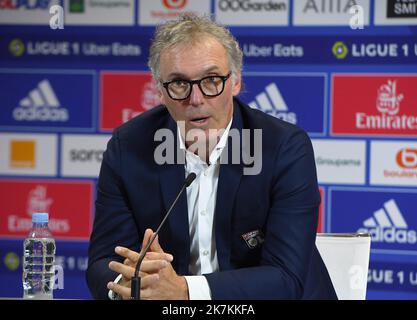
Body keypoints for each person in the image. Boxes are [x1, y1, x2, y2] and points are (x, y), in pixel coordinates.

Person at [86, 14, 337, 300]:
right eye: (179, 83)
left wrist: (184, 291)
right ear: (160, 91)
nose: (195, 99)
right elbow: (102, 264)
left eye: (211, 80)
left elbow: (286, 278)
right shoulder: (129, 148)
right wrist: (135, 283)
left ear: (236, 82)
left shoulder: (283, 148)